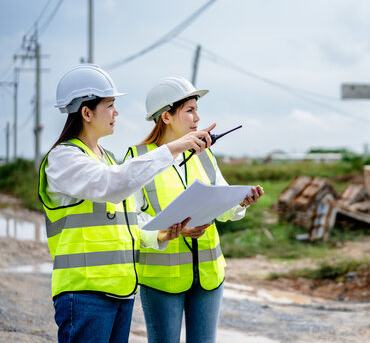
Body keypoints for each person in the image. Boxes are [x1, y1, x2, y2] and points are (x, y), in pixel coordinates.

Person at [38, 65, 215, 343]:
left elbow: (130, 220)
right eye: (110, 105)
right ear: (86, 113)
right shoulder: (64, 159)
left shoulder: (107, 158)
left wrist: (163, 232)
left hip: (121, 291)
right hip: (85, 294)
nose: (116, 113)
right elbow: (111, 184)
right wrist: (175, 147)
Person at [125, 76, 264, 343]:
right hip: (162, 279)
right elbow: (131, 221)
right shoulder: (138, 159)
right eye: (189, 110)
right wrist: (166, 234)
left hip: (209, 277)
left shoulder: (205, 155)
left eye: (196, 110)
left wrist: (240, 202)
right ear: (166, 116)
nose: (197, 118)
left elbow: (222, 206)